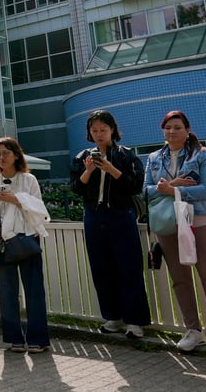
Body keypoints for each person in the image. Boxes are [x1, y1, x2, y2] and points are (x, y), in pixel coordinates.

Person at [144, 110, 206, 359]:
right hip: (169, 224)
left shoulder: (202, 154)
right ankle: (193, 330)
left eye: (178, 127)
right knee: (180, 278)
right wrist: (172, 188)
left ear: (188, 130)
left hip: (201, 221)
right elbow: (146, 190)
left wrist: (174, 190)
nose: (172, 131)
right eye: (168, 127)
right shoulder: (154, 157)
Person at [69, 110, 149, 339]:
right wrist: (89, 170)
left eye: (103, 130)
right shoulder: (82, 156)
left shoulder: (126, 155)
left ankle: (135, 320)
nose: (99, 134)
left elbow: (134, 186)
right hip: (93, 215)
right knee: (101, 267)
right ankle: (112, 316)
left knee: (129, 266)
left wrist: (110, 168)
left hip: (121, 214)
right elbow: (76, 188)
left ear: (112, 129)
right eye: (94, 131)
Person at [0, 137, 51, 354]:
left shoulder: (29, 180)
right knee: (7, 291)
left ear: (16, 155)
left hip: (27, 237)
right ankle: (14, 338)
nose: (1, 157)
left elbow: (39, 207)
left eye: (6, 153)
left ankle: (38, 339)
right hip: (2, 241)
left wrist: (17, 200)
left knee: (34, 290)